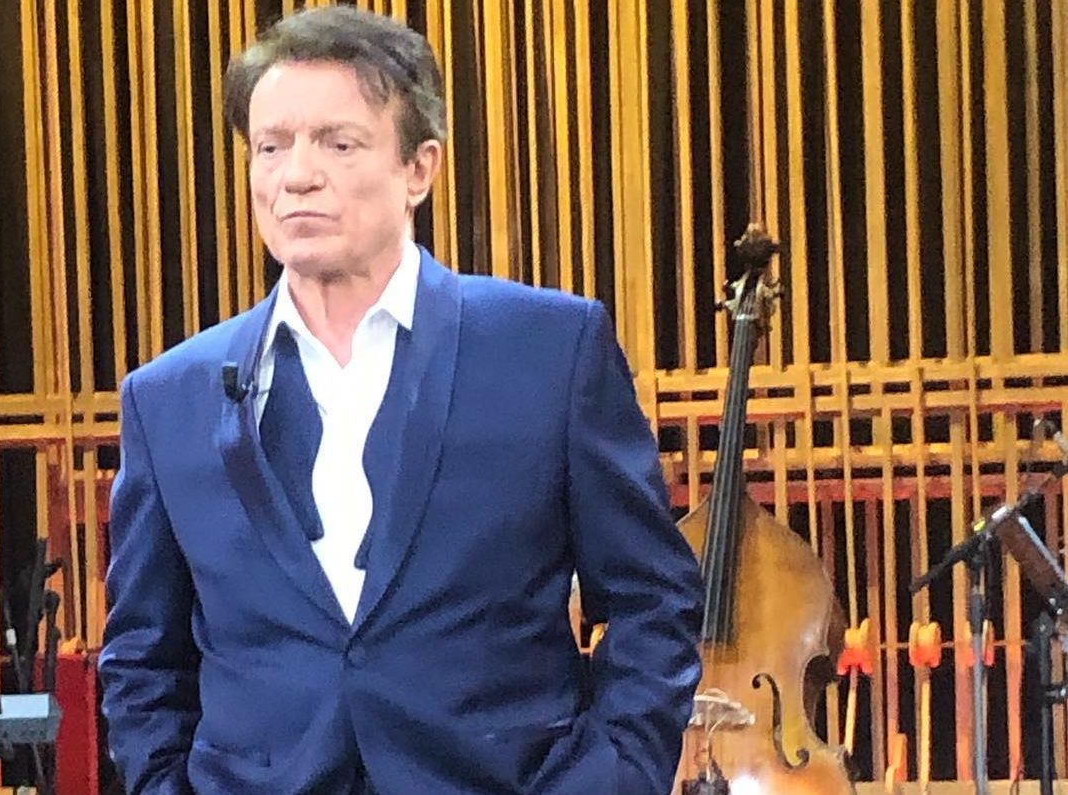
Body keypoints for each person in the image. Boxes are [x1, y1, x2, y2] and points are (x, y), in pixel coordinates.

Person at [98, 7, 704, 794]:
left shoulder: (549, 350)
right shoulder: (168, 396)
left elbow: (653, 599)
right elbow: (142, 655)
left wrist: (610, 776)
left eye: (338, 143)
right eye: (271, 146)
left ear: (419, 168)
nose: (296, 175)